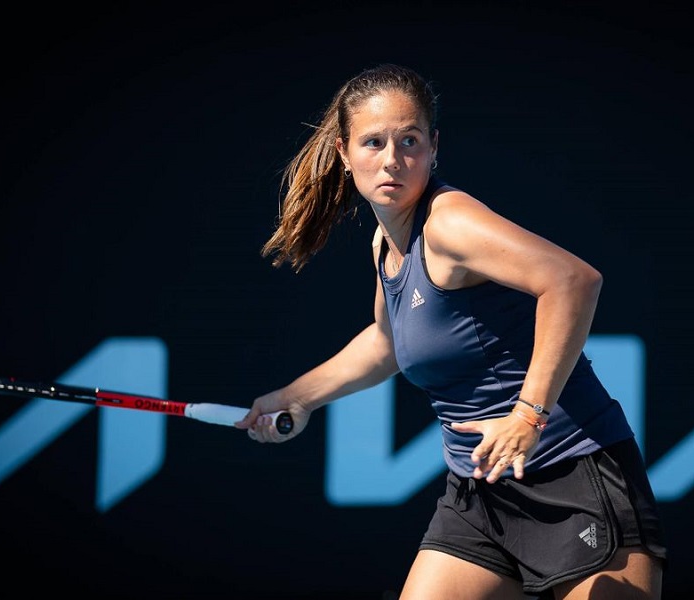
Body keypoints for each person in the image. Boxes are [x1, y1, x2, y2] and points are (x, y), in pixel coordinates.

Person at [236, 63, 667, 599]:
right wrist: (295, 397)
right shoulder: (385, 243)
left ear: (433, 147)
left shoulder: (449, 223)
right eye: (373, 142)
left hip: (573, 473)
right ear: (345, 153)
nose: (392, 159)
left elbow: (573, 281)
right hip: (480, 492)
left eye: (409, 141)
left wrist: (528, 415)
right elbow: (386, 343)